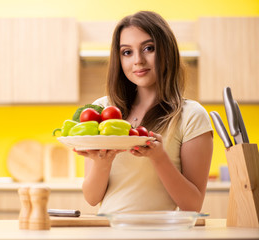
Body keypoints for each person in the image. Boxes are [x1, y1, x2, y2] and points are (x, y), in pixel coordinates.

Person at [77, 11, 213, 213]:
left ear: (167, 51)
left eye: (148, 48)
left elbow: (193, 205)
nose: (138, 60)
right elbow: (92, 197)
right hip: (109, 231)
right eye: (127, 52)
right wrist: (102, 163)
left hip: (160, 232)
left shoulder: (192, 116)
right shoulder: (102, 110)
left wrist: (159, 158)